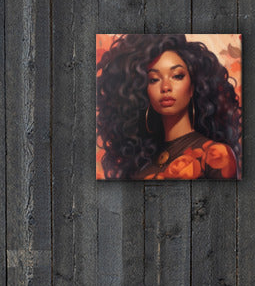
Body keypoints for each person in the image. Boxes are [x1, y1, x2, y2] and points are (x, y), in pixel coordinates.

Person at [96, 34, 241, 181]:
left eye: (177, 76)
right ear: (144, 92)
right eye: (154, 79)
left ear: (193, 87)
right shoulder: (140, 162)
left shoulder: (216, 155)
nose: (165, 87)